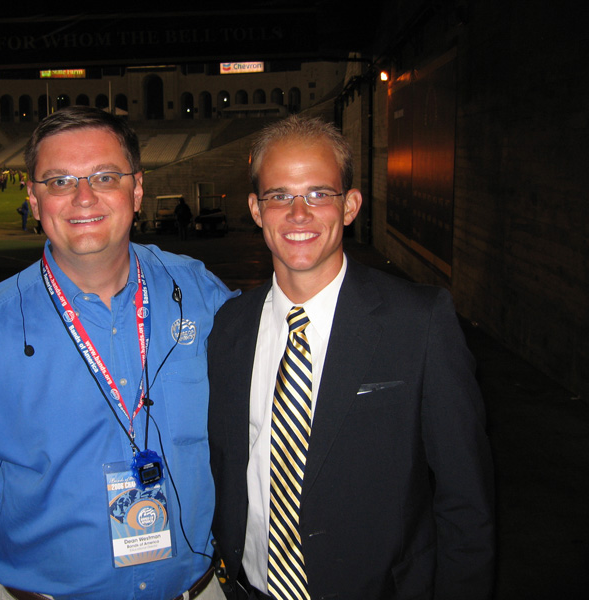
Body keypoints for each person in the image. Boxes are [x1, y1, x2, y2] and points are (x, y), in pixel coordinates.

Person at [0, 106, 237, 600]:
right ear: (35, 200)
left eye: (104, 176)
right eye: (59, 182)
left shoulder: (201, 296)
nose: (83, 197)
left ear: (137, 189)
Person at [207, 115, 495, 600]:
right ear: (256, 209)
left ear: (350, 205)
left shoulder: (419, 323)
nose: (299, 214)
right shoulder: (231, 327)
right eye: (280, 195)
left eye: (319, 194)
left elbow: (466, 502)